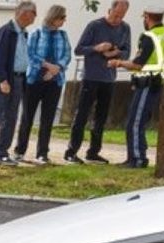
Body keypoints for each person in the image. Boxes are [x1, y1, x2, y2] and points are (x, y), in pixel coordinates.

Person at [63, 0, 131, 164]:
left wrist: (116, 53)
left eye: (121, 16)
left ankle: (93, 152)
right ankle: (71, 151)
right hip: (91, 77)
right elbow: (79, 49)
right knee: (82, 115)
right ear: (110, 10)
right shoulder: (95, 26)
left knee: (101, 117)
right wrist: (97, 48)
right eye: (116, 15)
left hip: (109, 79)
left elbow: (127, 52)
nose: (117, 19)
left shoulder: (125, 28)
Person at [0, 1, 37, 167]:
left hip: (18, 79)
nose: (34, 18)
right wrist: (2, 80)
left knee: (10, 118)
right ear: (24, 14)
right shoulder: (6, 31)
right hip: (3, 81)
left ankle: (1, 153)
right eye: (34, 14)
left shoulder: (24, 34)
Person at [109, 4, 164, 168]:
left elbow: (138, 64)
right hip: (158, 82)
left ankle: (137, 159)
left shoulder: (149, 36)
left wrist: (118, 62)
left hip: (147, 83)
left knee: (134, 123)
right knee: (139, 122)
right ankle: (135, 157)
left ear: (147, 17)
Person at [15, 4, 72, 164]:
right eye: (62, 18)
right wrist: (47, 65)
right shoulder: (36, 34)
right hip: (34, 80)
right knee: (27, 117)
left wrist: (57, 68)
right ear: (53, 18)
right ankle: (20, 150)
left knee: (47, 119)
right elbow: (30, 54)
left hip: (55, 82)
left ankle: (42, 153)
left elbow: (67, 55)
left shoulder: (63, 35)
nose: (64, 21)